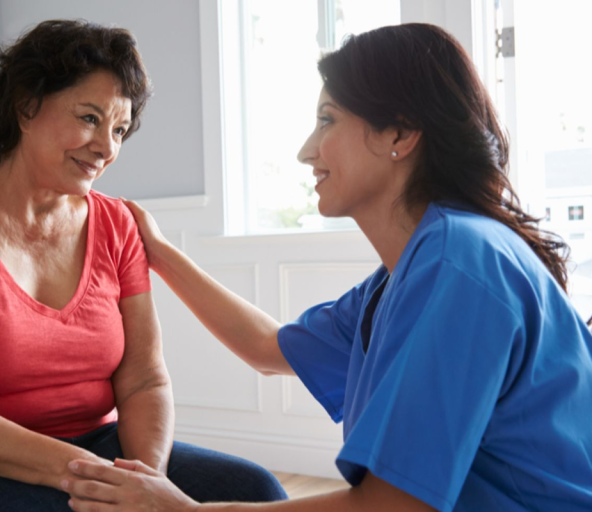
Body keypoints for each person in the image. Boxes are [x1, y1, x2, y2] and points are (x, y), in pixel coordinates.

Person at [61, 23, 592, 512]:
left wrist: (185, 511)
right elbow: (266, 347)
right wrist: (160, 252)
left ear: (399, 134)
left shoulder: (460, 265)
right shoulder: (405, 277)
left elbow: (394, 506)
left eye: (327, 120)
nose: (305, 151)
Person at [0, 19, 286, 511]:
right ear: (26, 107)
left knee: (256, 489)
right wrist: (95, 480)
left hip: (89, 444)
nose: (107, 148)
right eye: (90, 118)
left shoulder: (117, 223)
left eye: (119, 129)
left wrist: (146, 485)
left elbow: (144, 379)